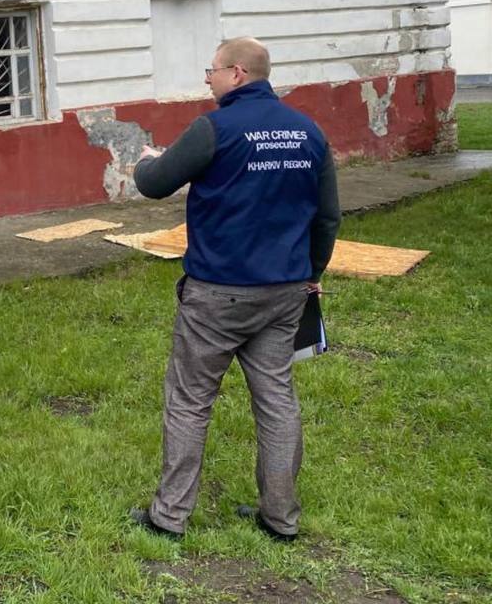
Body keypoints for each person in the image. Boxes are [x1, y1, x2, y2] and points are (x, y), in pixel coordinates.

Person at [128, 37, 340, 543]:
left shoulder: (214, 128)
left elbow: (154, 183)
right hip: (285, 290)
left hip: (216, 294)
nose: (208, 79)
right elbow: (328, 215)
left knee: (190, 400)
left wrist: (146, 160)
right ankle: (281, 518)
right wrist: (313, 272)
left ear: (237, 73)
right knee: (277, 399)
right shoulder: (308, 131)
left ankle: (169, 517)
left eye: (213, 70)